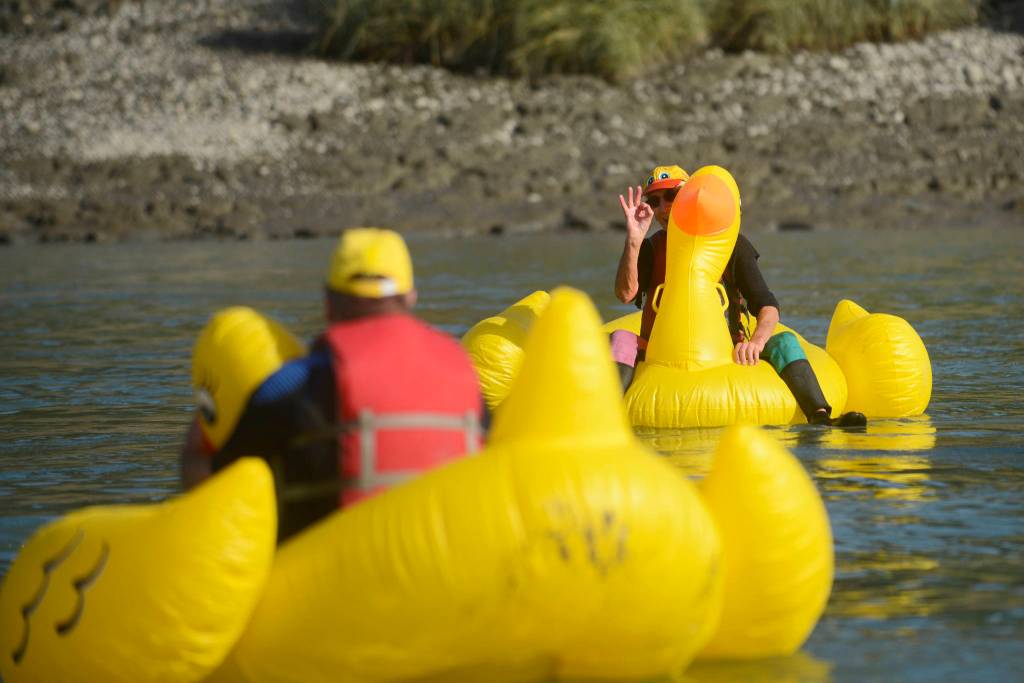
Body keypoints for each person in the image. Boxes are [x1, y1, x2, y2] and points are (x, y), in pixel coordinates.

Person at [181, 228, 488, 541]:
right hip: (452, 565)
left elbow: (216, 483)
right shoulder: (464, 371)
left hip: (344, 572)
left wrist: (203, 425)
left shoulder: (296, 382)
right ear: (411, 297)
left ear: (328, 302)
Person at [613, 164, 866, 427]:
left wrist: (755, 342)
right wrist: (634, 240)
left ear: (690, 199)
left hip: (730, 347)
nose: (663, 208)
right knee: (620, 338)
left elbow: (767, 306)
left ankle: (821, 416)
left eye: (672, 197)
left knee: (786, 342)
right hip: (661, 348)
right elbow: (625, 294)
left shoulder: (733, 245)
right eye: (654, 201)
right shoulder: (651, 248)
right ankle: (604, 414)